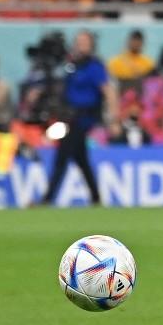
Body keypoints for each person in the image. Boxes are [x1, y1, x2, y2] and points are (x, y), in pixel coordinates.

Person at [43, 31, 115, 206]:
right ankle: (96, 197)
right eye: (79, 41)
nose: (81, 44)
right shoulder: (72, 65)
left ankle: (48, 198)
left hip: (83, 117)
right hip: (68, 116)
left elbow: (108, 90)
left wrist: (113, 116)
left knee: (62, 156)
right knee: (81, 159)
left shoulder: (94, 66)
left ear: (91, 45)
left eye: (85, 41)